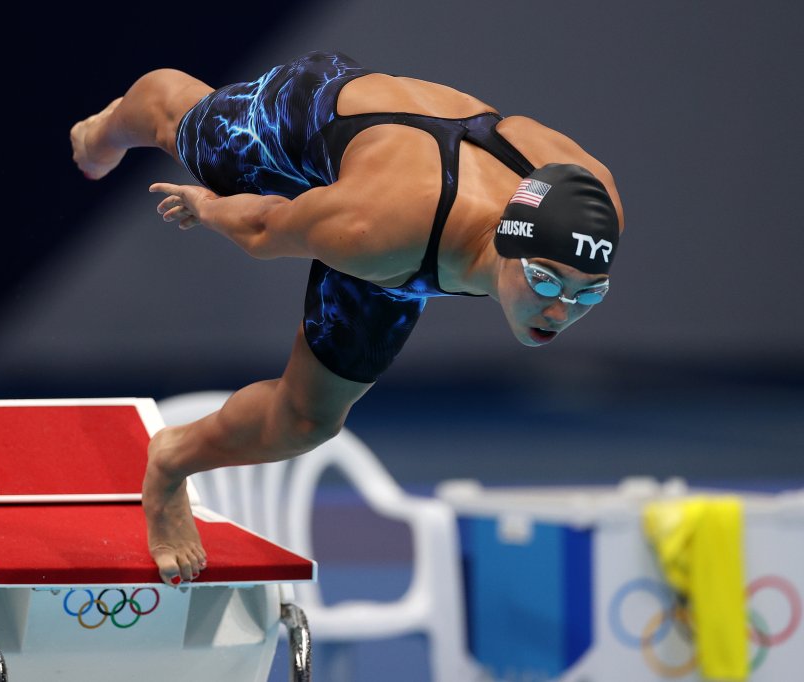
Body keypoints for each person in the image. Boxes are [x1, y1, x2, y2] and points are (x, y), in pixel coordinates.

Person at [70, 51, 625, 586]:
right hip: (319, 117)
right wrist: (208, 208)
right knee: (189, 132)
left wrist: (566, 281)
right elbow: (266, 228)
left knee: (308, 422)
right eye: (545, 281)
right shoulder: (375, 230)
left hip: (412, 233)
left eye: (588, 295)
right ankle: (116, 123)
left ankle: (169, 461)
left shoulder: (594, 206)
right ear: (507, 246)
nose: (560, 311)